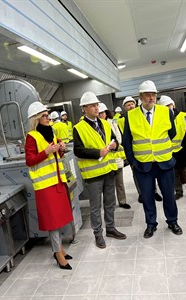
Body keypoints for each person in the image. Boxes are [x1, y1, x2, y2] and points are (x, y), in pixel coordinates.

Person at [122, 80, 182, 238]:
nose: (151, 97)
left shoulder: (166, 112)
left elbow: (172, 133)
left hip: (164, 162)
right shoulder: (130, 115)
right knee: (147, 197)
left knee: (169, 194)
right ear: (140, 97)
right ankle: (151, 224)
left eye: (154, 94)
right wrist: (133, 163)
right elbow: (127, 141)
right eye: (147, 95)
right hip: (143, 165)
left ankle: (172, 221)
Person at [73, 91, 127, 249]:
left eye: (97, 105)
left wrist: (114, 145)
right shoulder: (79, 128)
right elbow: (78, 150)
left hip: (109, 170)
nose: (96, 108)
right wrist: (98, 153)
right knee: (96, 207)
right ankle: (98, 234)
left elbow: (115, 140)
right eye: (92, 105)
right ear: (84, 108)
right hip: (94, 174)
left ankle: (110, 228)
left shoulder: (105, 123)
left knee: (110, 202)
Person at [25, 102, 74, 270]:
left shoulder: (51, 132)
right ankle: (57, 253)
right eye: (44, 116)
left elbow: (58, 154)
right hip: (45, 186)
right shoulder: (32, 137)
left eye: (47, 115)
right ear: (36, 119)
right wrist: (46, 152)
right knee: (53, 221)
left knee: (59, 219)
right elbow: (30, 161)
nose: (47, 118)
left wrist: (61, 148)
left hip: (58, 181)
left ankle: (59, 248)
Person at [119, 96, 163, 203]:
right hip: (133, 153)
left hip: (147, 152)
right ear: (125, 107)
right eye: (128, 105)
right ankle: (141, 193)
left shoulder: (142, 115)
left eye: (132, 104)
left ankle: (154, 191)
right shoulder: (122, 120)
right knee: (136, 174)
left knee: (151, 172)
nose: (131, 106)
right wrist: (130, 157)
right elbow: (124, 139)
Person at [157, 96, 186, 202]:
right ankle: (178, 191)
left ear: (173, 105)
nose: (167, 108)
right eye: (164, 107)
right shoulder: (162, 119)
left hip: (182, 148)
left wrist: (185, 144)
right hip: (169, 150)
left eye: (168, 105)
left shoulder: (183, 116)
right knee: (174, 172)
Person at [98, 102, 131, 209]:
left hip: (115, 157)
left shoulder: (112, 123)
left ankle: (122, 201)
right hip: (105, 159)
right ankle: (109, 204)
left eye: (102, 113)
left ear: (106, 113)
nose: (101, 115)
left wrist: (113, 145)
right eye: (99, 113)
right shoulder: (96, 126)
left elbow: (119, 138)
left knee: (119, 182)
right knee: (108, 185)